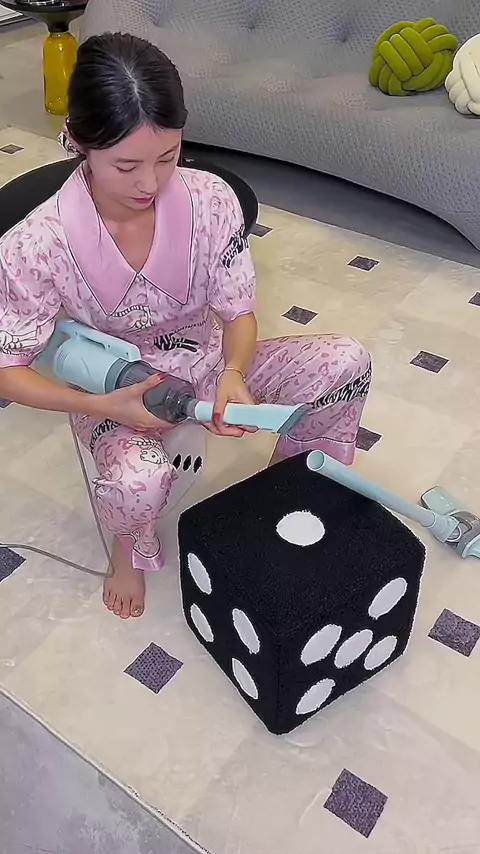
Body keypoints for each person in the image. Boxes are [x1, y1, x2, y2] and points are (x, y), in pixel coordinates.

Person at [0, 33, 371, 620]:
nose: (150, 184)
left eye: (168, 157)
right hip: (118, 389)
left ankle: (295, 488)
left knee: (345, 364)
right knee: (136, 484)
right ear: (78, 140)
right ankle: (130, 546)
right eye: (126, 166)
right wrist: (105, 407)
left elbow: (238, 313)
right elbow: (8, 369)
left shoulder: (211, 200)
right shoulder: (37, 244)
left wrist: (234, 372)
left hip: (207, 362)